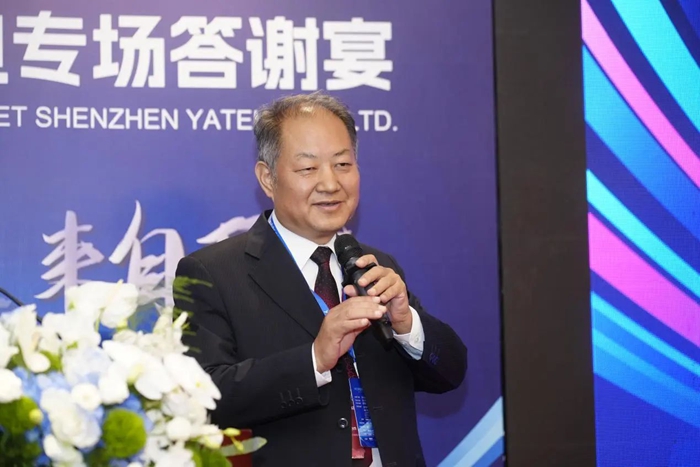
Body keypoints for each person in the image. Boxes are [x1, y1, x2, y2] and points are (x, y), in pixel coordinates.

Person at [174, 92, 467, 467]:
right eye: (308, 168)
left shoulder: (375, 264)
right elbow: (204, 398)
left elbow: (450, 374)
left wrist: (407, 323)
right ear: (267, 178)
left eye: (343, 164)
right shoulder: (213, 272)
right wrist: (314, 359)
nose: (330, 183)